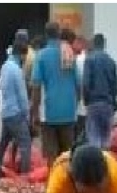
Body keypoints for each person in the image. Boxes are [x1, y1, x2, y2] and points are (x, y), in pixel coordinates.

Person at [32, 22, 80, 165]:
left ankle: (55, 183)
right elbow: (78, 84)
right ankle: (69, 184)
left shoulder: (41, 56)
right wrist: (74, 105)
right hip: (68, 112)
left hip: (49, 113)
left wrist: (35, 113)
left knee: (52, 157)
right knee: (68, 155)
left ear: (46, 35)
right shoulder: (69, 53)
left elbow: (36, 86)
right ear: (59, 34)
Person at [0, 31, 33, 180]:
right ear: (21, 55)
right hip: (16, 113)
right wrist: (27, 115)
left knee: (3, 143)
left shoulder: (5, 66)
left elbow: (0, 85)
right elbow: (22, 95)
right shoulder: (16, 70)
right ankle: (25, 174)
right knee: (26, 143)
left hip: (6, 112)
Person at [82, 33, 117, 149]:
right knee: (106, 138)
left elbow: (86, 84)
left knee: (94, 138)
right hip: (107, 104)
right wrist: (113, 103)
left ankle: (96, 164)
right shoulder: (111, 61)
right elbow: (114, 86)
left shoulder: (89, 60)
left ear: (93, 44)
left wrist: (86, 101)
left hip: (94, 103)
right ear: (104, 45)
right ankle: (106, 163)